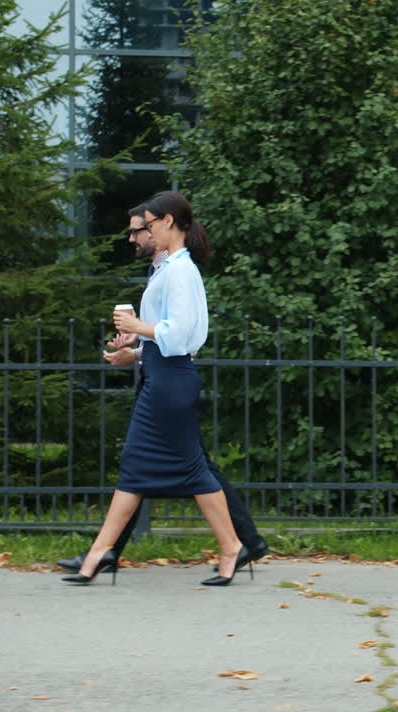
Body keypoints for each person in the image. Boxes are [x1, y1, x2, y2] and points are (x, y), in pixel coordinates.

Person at [59, 205, 269, 582]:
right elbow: (168, 341)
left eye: (148, 225)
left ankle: (233, 547)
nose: (142, 233)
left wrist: (138, 326)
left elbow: (180, 336)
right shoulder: (169, 269)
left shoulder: (182, 271)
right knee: (136, 467)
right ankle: (100, 554)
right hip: (162, 378)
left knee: (192, 470)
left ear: (168, 222)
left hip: (170, 384)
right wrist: (136, 349)